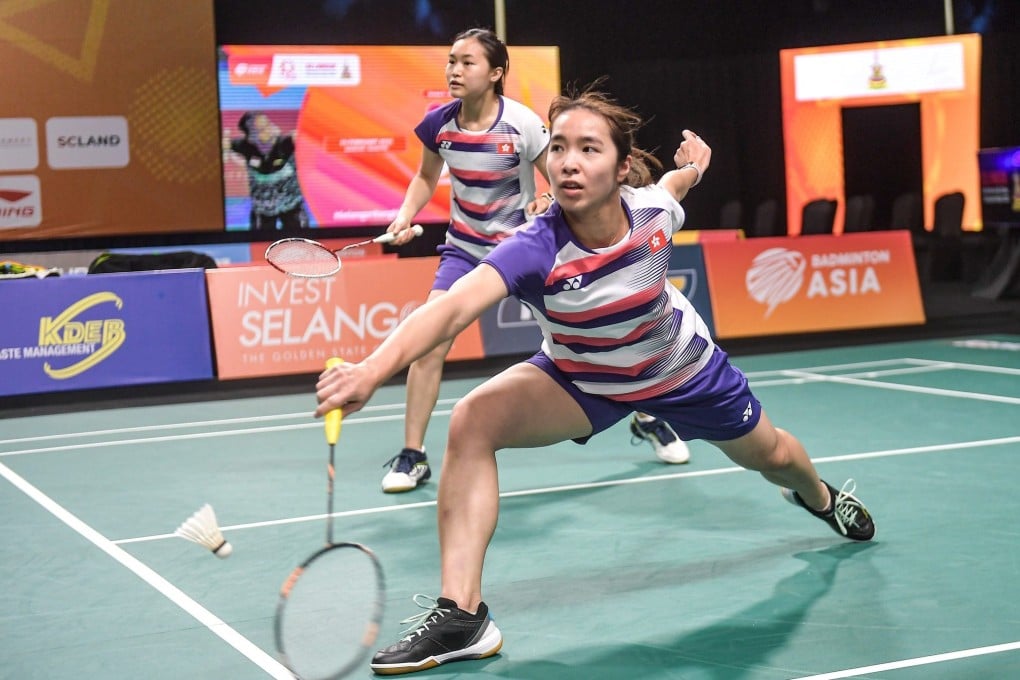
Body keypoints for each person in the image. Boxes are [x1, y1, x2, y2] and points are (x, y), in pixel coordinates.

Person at [315, 85, 876, 674]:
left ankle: (820, 498)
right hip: (584, 378)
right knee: (473, 420)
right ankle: (462, 616)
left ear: (622, 166)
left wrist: (693, 167)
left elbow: (675, 185)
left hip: (680, 371)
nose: (568, 162)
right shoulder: (534, 247)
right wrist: (372, 369)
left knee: (774, 456)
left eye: (588, 149)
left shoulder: (651, 211)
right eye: (558, 148)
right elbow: (451, 308)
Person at [379, 28, 687, 494]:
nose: (454, 70)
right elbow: (425, 177)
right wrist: (405, 215)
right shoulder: (438, 125)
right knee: (430, 343)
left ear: (496, 73)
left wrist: (545, 201)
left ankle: (645, 416)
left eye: (467, 62)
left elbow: (558, 178)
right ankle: (412, 454)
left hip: (524, 252)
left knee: (599, 335)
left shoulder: (521, 124)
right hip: (465, 250)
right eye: (451, 61)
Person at [228, 111, 309, 230]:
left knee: (301, 239)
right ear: (251, 137)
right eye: (262, 129)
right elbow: (226, 144)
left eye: (268, 124)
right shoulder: (245, 147)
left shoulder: (286, 143)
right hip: (262, 209)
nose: (269, 129)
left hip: (292, 205)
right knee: (260, 240)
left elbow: (302, 137)